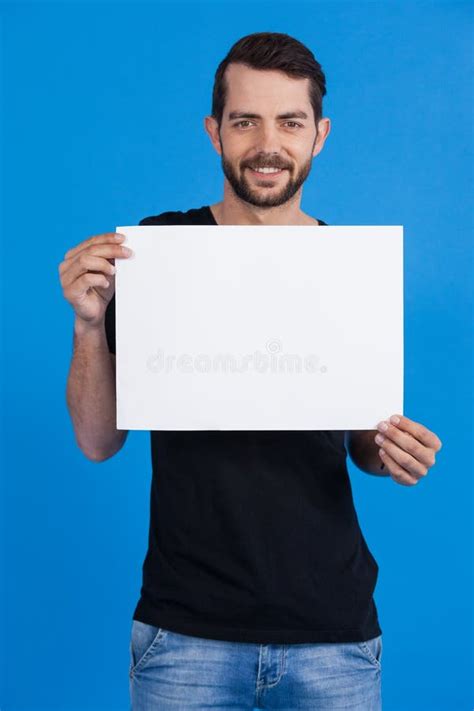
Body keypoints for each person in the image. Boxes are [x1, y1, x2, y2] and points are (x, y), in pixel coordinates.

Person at [59, 31, 442, 711]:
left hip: (333, 633)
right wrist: (90, 324)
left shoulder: (348, 268)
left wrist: (390, 451)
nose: (269, 142)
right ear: (215, 132)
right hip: (184, 633)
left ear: (319, 134)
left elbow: (361, 442)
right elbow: (96, 441)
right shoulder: (156, 252)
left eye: (290, 121)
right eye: (246, 121)